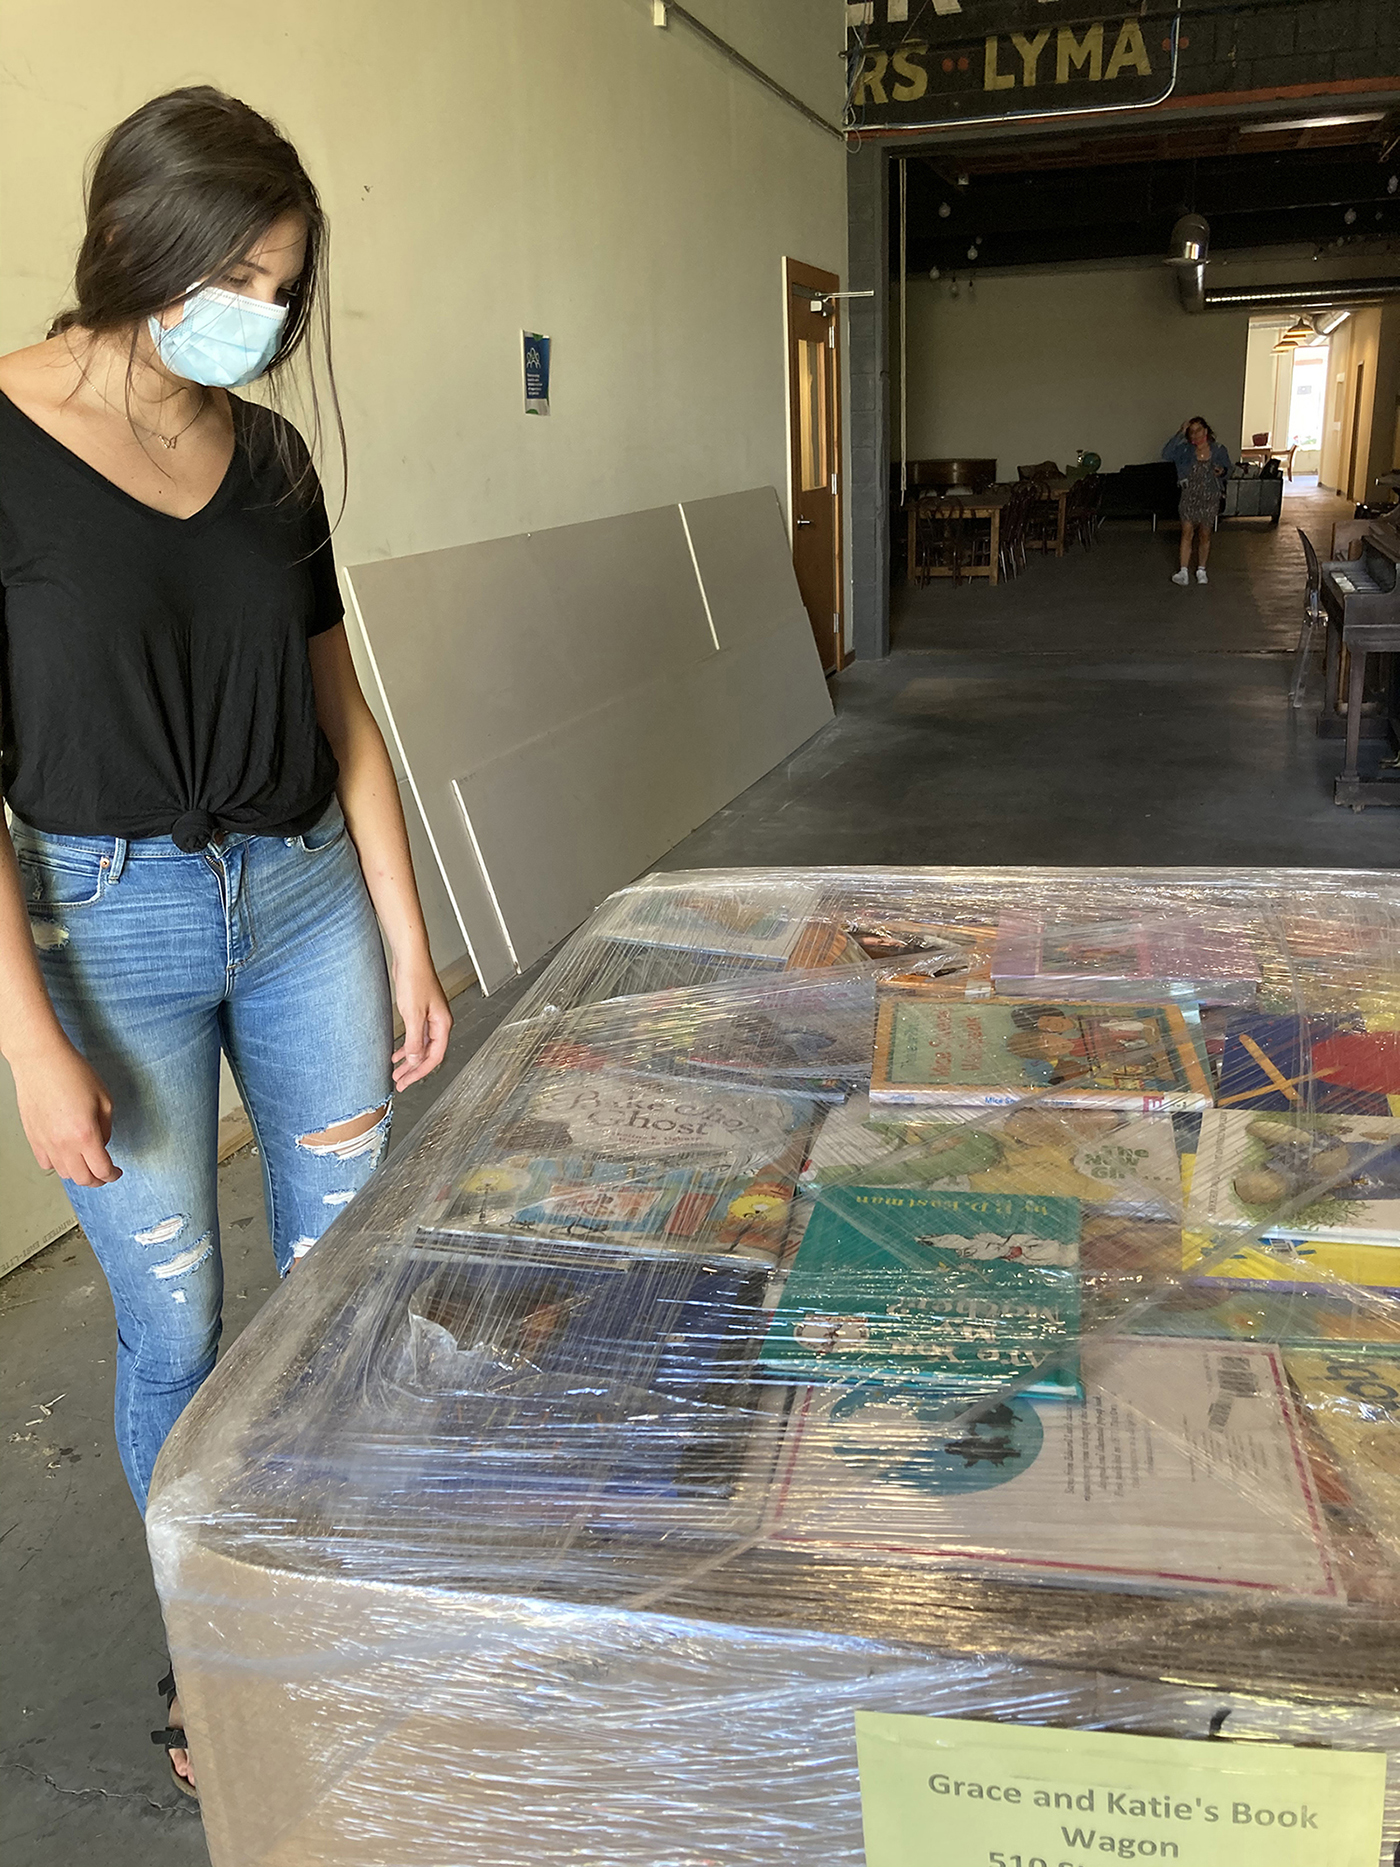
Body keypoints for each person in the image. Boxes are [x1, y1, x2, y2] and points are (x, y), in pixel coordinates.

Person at [0, 87, 454, 1795]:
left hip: (306, 901)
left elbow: (347, 717)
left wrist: (410, 943)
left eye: (285, 285)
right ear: (138, 246)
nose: (263, 312)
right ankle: (216, 1666)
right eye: (242, 273)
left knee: (336, 1298)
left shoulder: (272, 458)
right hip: (107, 935)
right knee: (177, 1333)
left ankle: (326, 1599)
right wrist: (31, 1040)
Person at [1161, 416, 1231, 586]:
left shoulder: (1219, 450)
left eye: (1198, 430)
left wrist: (1221, 471)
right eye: (1191, 431)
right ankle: (1183, 571)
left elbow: (1228, 470)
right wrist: (1180, 432)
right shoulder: (1185, 450)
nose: (1195, 434)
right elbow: (1166, 454)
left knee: (1205, 533)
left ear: (1206, 430)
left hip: (1209, 496)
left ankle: (1201, 570)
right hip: (1189, 495)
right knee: (1186, 531)